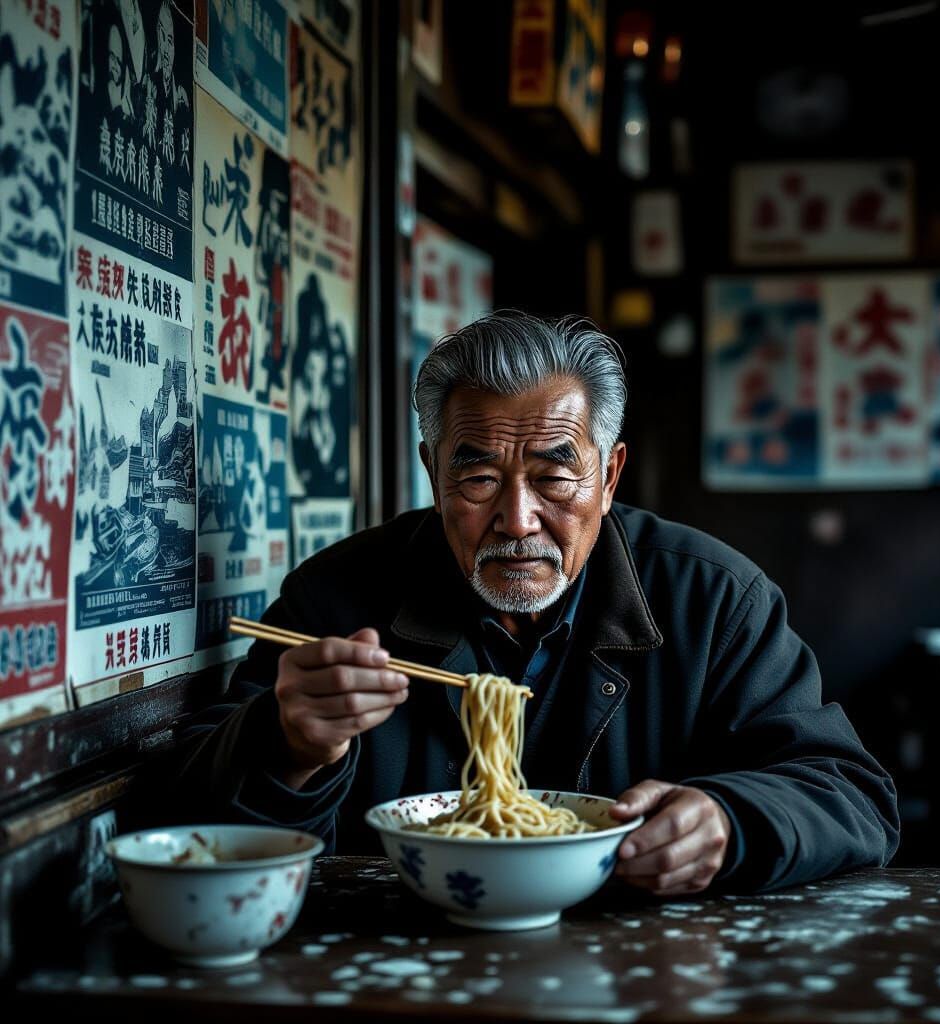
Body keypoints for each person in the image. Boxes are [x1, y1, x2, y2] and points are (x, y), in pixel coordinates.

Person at [169, 311, 899, 896]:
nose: (517, 520)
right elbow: (180, 818)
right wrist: (286, 745)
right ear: (433, 472)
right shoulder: (337, 597)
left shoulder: (712, 600)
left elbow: (850, 794)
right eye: (479, 479)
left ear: (609, 476)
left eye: (554, 479)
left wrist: (732, 822)